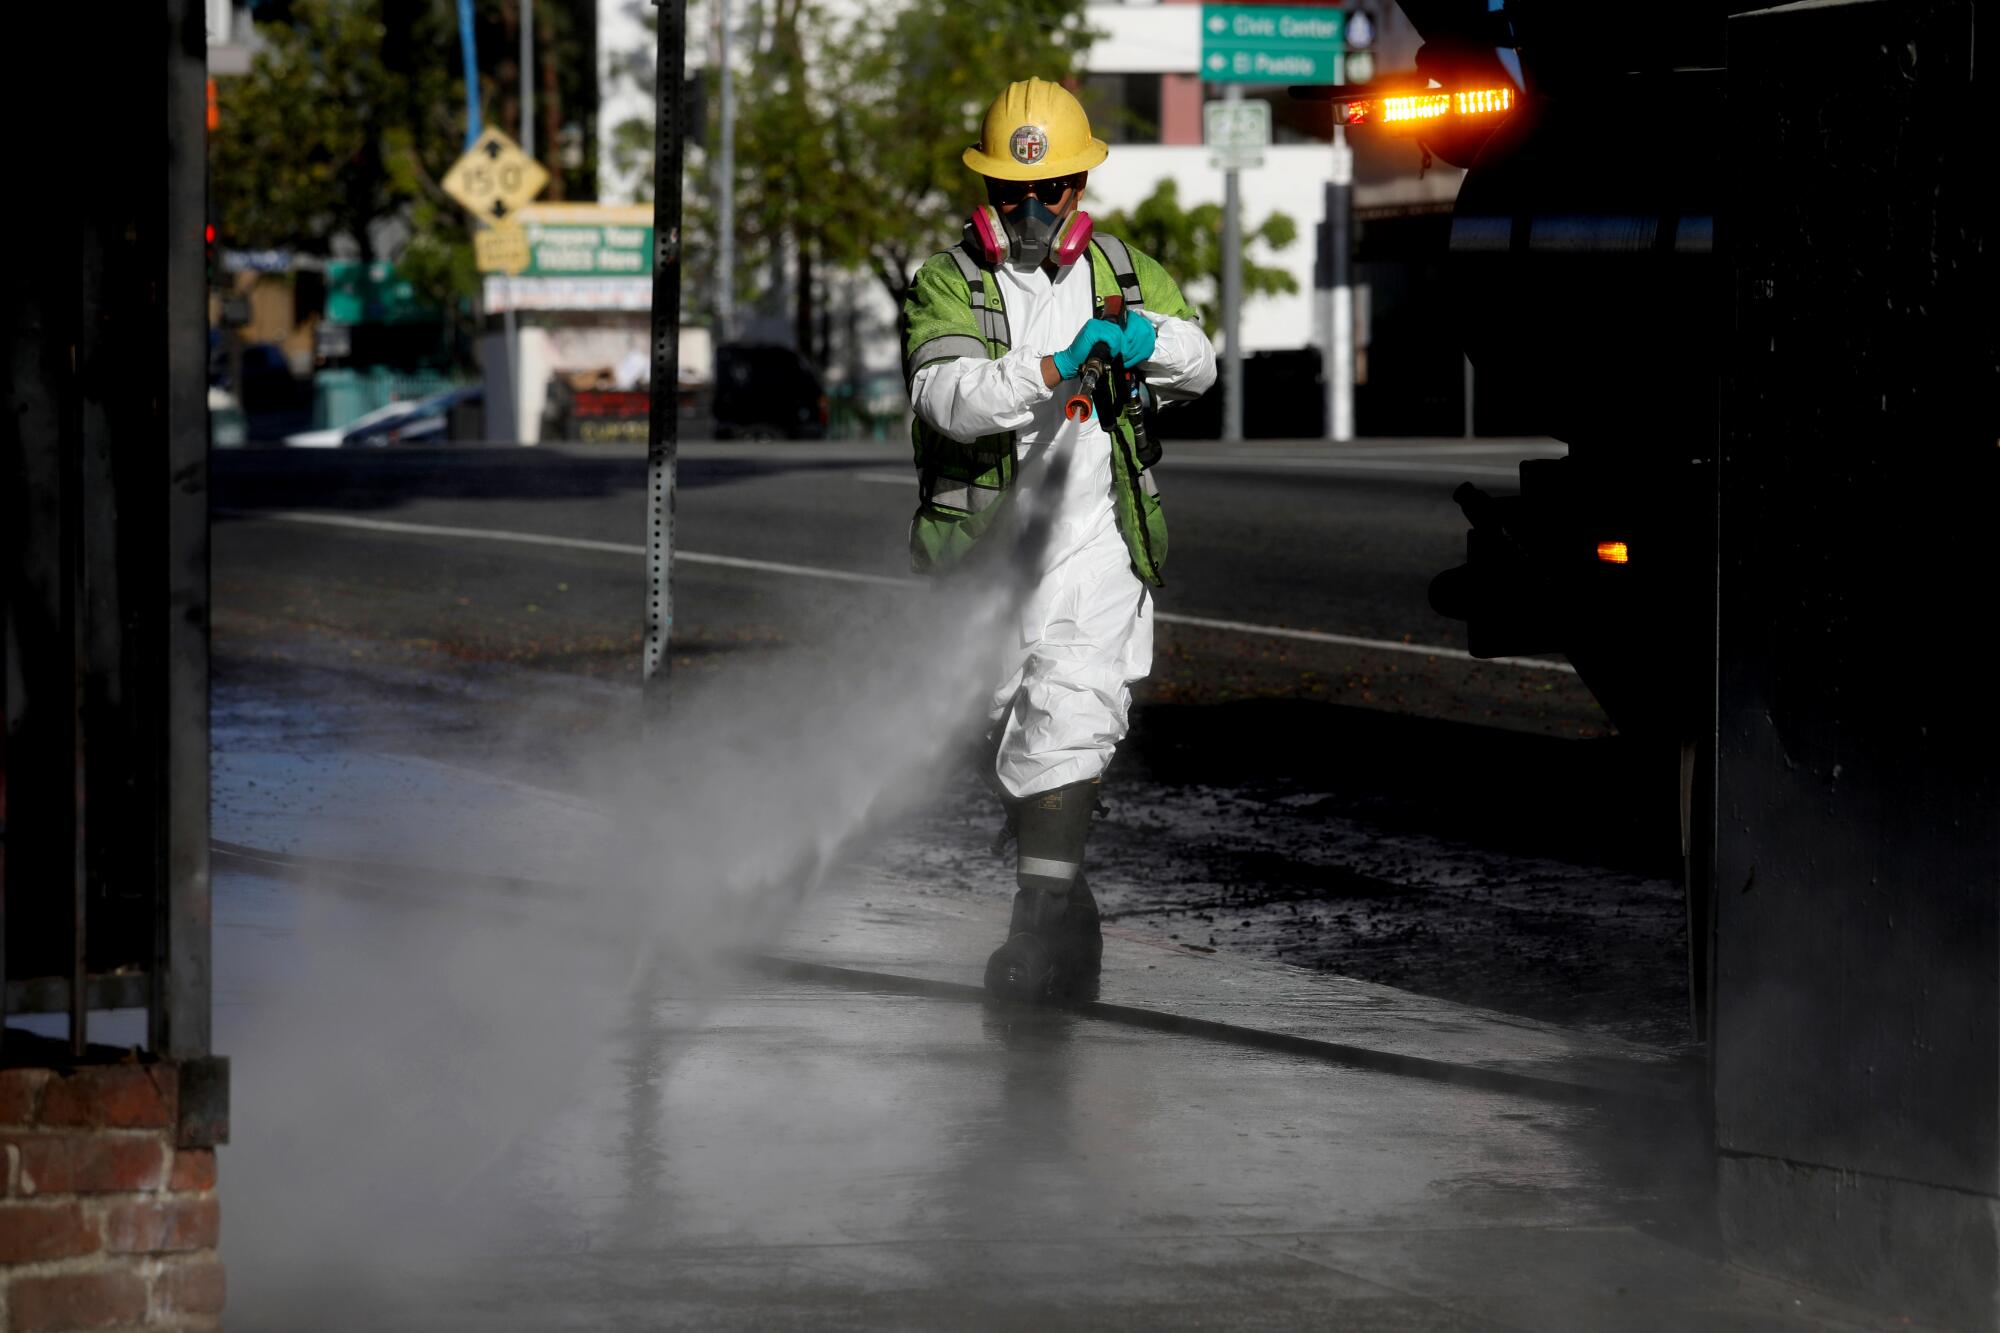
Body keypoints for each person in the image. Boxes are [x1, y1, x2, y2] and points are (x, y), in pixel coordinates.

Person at [901, 78, 1217, 1002]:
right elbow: (946, 400)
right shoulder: (948, 280)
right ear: (988, 194)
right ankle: (1065, 900)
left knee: (1071, 721)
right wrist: (1050, 367)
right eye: (1012, 192)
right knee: (1002, 726)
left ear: (1081, 184)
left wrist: (1137, 334)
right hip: (987, 562)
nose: (1033, 208)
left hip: (1097, 545)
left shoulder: (1123, 270)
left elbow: (1199, 361)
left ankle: (1032, 941)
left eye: (1052, 190)